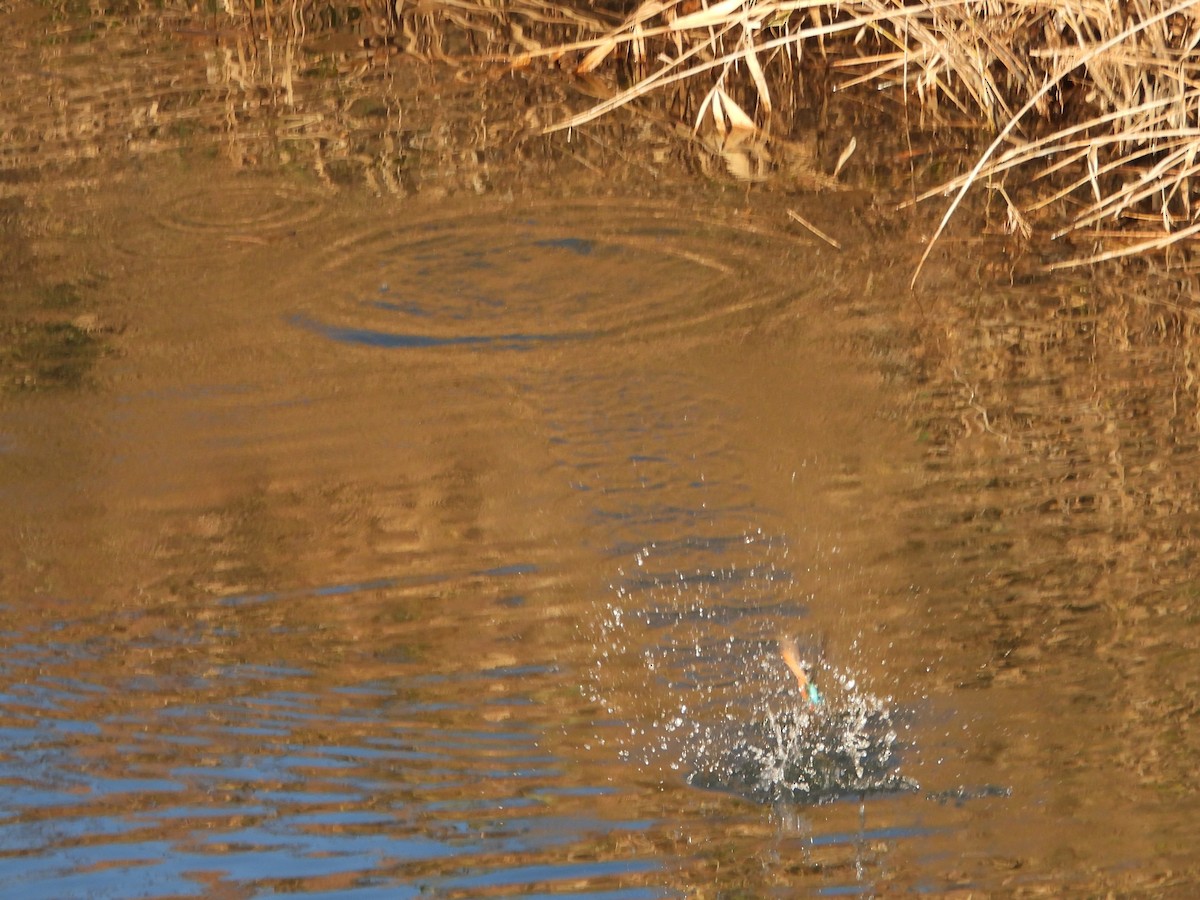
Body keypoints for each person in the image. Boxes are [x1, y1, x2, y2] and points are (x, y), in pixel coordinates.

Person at [780, 636, 823, 706]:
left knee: (800, 675)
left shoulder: (805, 684)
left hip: (810, 690)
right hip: (812, 692)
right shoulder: (809, 695)